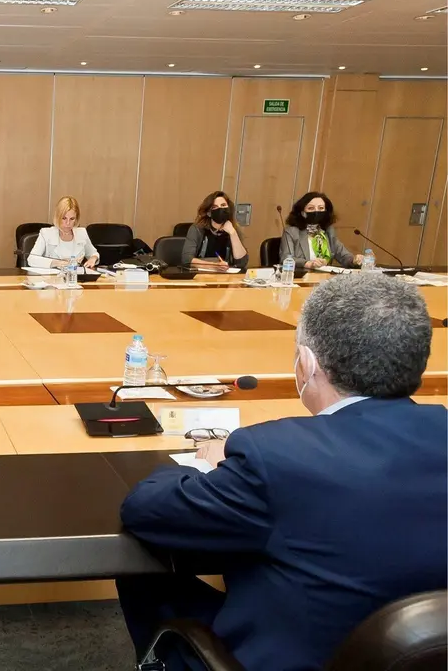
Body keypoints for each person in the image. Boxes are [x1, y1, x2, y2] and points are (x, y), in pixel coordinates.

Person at [116, 273, 445, 671]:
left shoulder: (276, 455)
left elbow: (145, 509)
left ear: (306, 364)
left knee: (139, 575)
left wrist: (208, 462)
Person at [280, 192, 362, 270]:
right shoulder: (292, 232)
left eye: (321, 208)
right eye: (311, 208)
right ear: (302, 213)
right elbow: (286, 258)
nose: (316, 211)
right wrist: (309, 264)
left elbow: (343, 255)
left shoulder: (328, 231)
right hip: (302, 277)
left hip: (325, 278)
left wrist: (354, 260)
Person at [181, 191, 248, 270]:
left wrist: (233, 233)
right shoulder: (197, 229)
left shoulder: (233, 229)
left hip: (225, 276)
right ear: (209, 212)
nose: (220, 209)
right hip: (199, 275)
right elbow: (186, 260)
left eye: (223, 205)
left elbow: (242, 262)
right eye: (215, 207)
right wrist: (214, 266)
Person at [27, 196, 100, 269]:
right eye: (64, 218)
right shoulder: (46, 234)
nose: (68, 223)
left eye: (72, 219)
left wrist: (93, 259)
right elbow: (31, 259)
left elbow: (93, 253)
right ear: (58, 217)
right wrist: (56, 263)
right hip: (52, 278)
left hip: (75, 278)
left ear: (76, 218)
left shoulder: (81, 233)